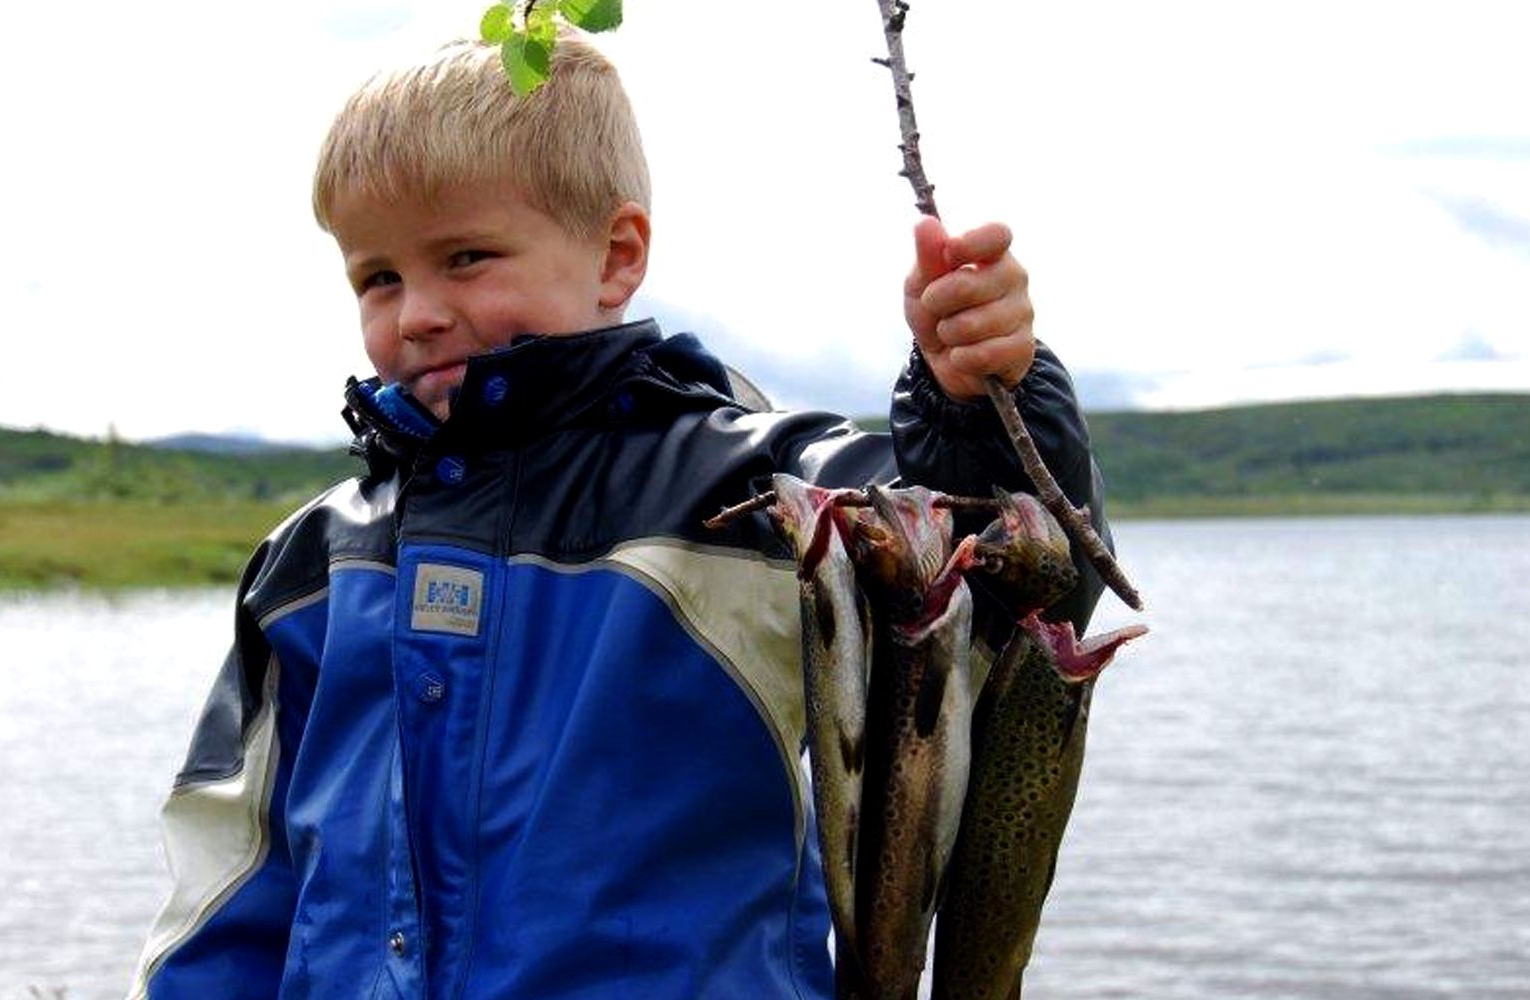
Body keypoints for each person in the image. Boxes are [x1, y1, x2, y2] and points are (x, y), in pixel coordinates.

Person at [128, 33, 1108, 1000]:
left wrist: (973, 405)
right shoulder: (309, 566)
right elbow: (230, 882)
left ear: (615, 255)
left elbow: (1010, 585)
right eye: (377, 276)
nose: (416, 311)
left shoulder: (748, 489)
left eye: (464, 257)